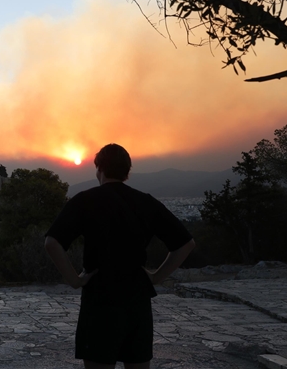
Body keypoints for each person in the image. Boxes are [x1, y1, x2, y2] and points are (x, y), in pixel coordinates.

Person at [45, 143, 195, 369]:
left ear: (100, 169)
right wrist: (156, 277)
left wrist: (75, 280)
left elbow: (52, 242)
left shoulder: (85, 200)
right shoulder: (146, 202)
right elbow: (186, 244)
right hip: (137, 302)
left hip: (100, 300)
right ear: (127, 172)